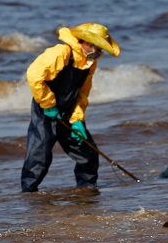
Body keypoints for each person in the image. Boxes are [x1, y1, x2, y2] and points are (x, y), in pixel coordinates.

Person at [20, 23, 120, 193]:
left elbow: (82, 93)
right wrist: (48, 104)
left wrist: (77, 119)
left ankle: (86, 192)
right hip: (45, 111)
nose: (100, 53)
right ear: (87, 43)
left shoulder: (89, 63)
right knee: (39, 156)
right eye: (99, 48)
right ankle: (29, 194)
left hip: (69, 111)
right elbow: (34, 75)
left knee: (88, 153)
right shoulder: (61, 53)